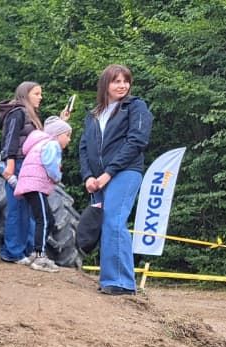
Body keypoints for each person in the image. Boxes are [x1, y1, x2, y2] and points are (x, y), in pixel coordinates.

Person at [80, 64, 151, 295]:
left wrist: (109, 172)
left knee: (114, 220)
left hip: (125, 171)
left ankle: (122, 282)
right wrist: (88, 176)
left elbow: (137, 141)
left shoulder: (135, 107)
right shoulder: (93, 115)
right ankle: (109, 279)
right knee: (103, 224)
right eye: (116, 81)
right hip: (99, 177)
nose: (122, 85)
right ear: (105, 85)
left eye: (125, 81)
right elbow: (83, 147)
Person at [0, 81, 69, 264]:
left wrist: (62, 121)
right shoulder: (17, 113)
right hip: (18, 164)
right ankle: (12, 252)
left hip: (29, 165)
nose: (41, 97)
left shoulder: (32, 115)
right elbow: (10, 139)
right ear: (26, 94)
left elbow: (43, 139)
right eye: (37, 93)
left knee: (31, 210)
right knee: (17, 208)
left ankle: (28, 250)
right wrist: (10, 164)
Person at [14, 116, 73, 273]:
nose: (69, 140)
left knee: (49, 220)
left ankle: (36, 253)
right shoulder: (52, 144)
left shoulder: (40, 143)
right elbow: (49, 164)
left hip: (32, 185)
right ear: (57, 134)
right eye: (67, 135)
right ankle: (40, 257)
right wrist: (57, 177)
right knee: (44, 220)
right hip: (36, 185)